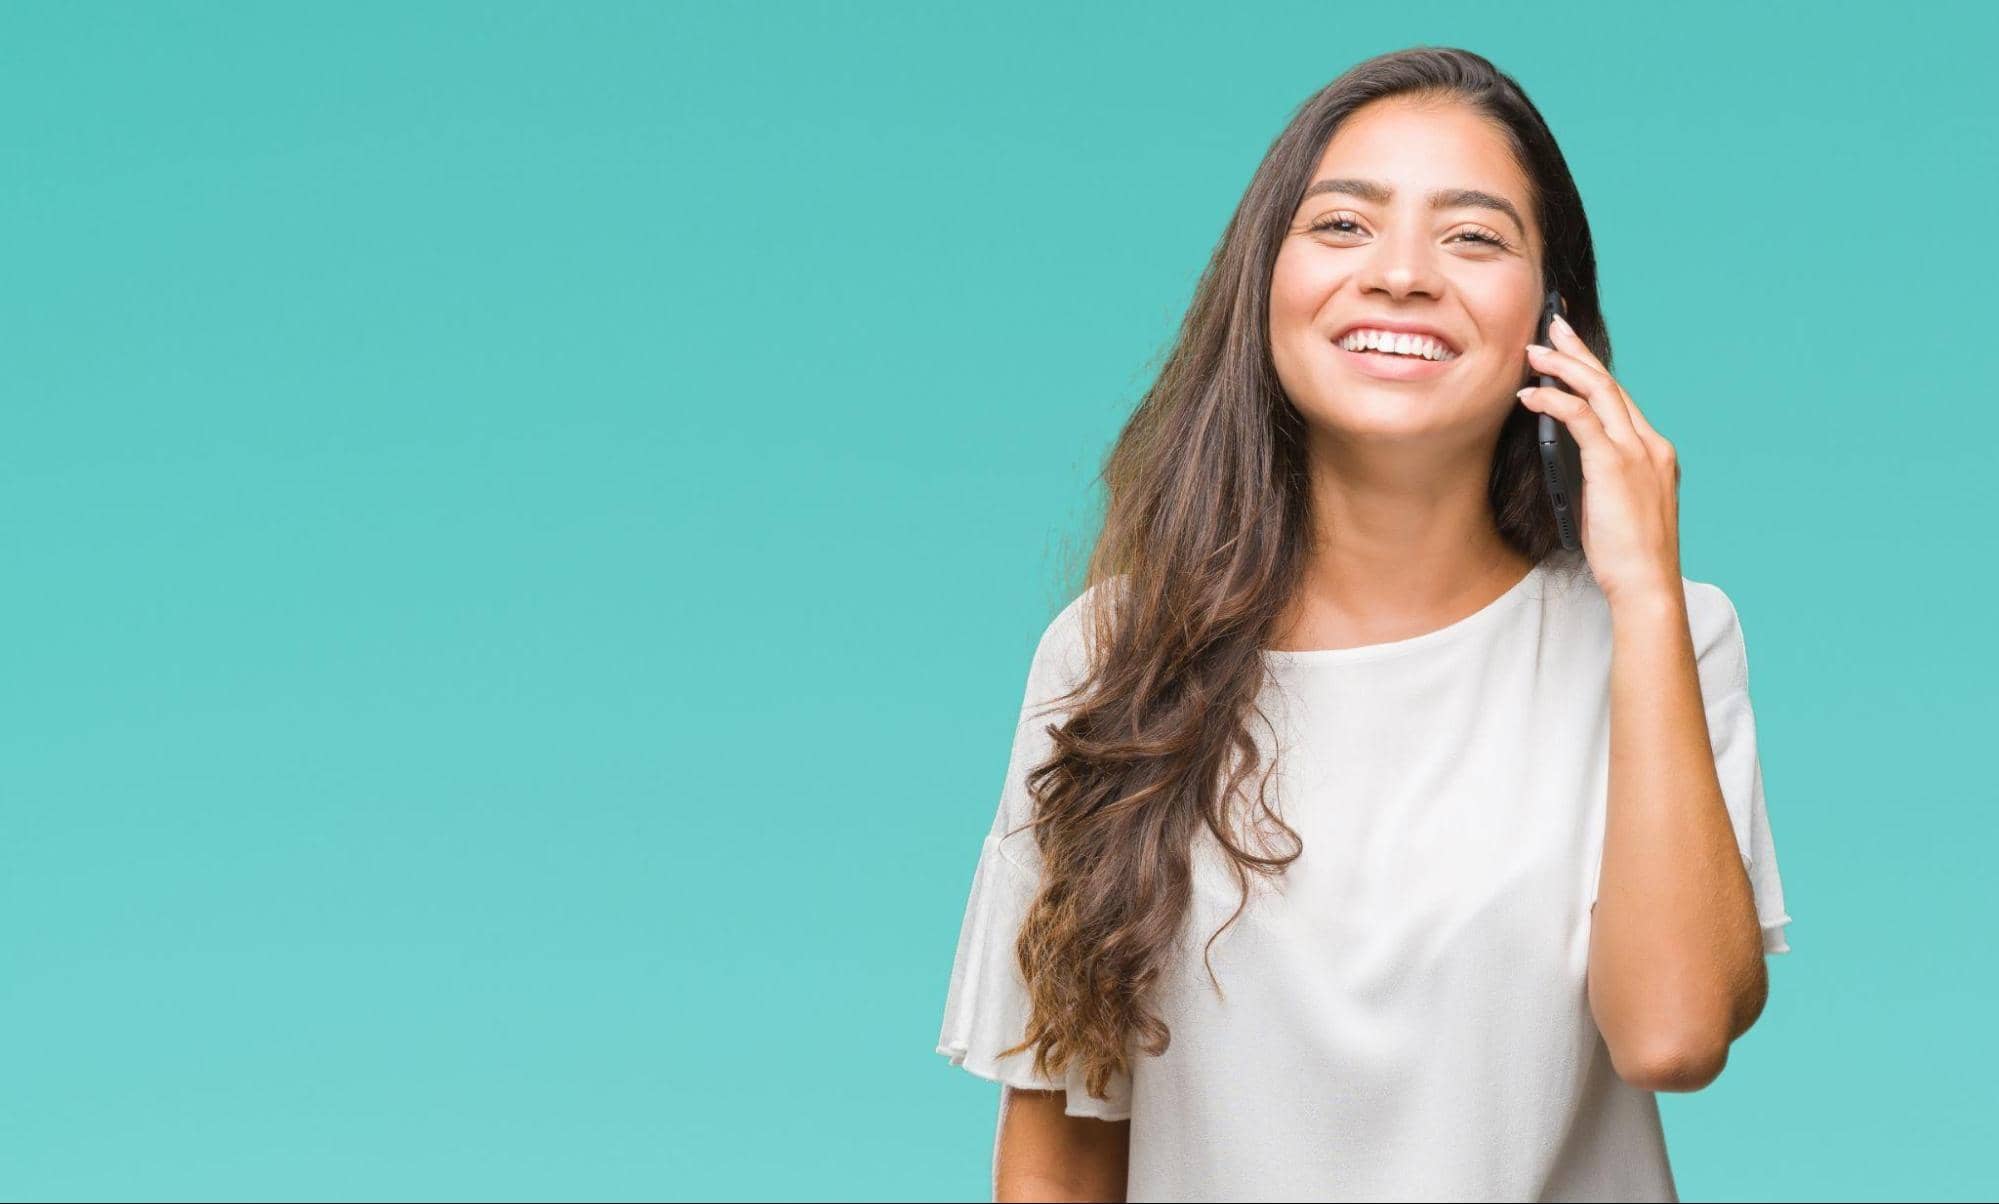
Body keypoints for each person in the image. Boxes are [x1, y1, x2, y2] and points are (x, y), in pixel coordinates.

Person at [932, 46, 1794, 1203]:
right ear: (1263, 283)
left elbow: (1674, 1036)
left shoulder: (1669, 639)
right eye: (1342, 224)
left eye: (1473, 236)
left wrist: (1638, 589)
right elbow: (1061, 1140)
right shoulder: (1108, 657)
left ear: (1556, 322)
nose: (1400, 274)